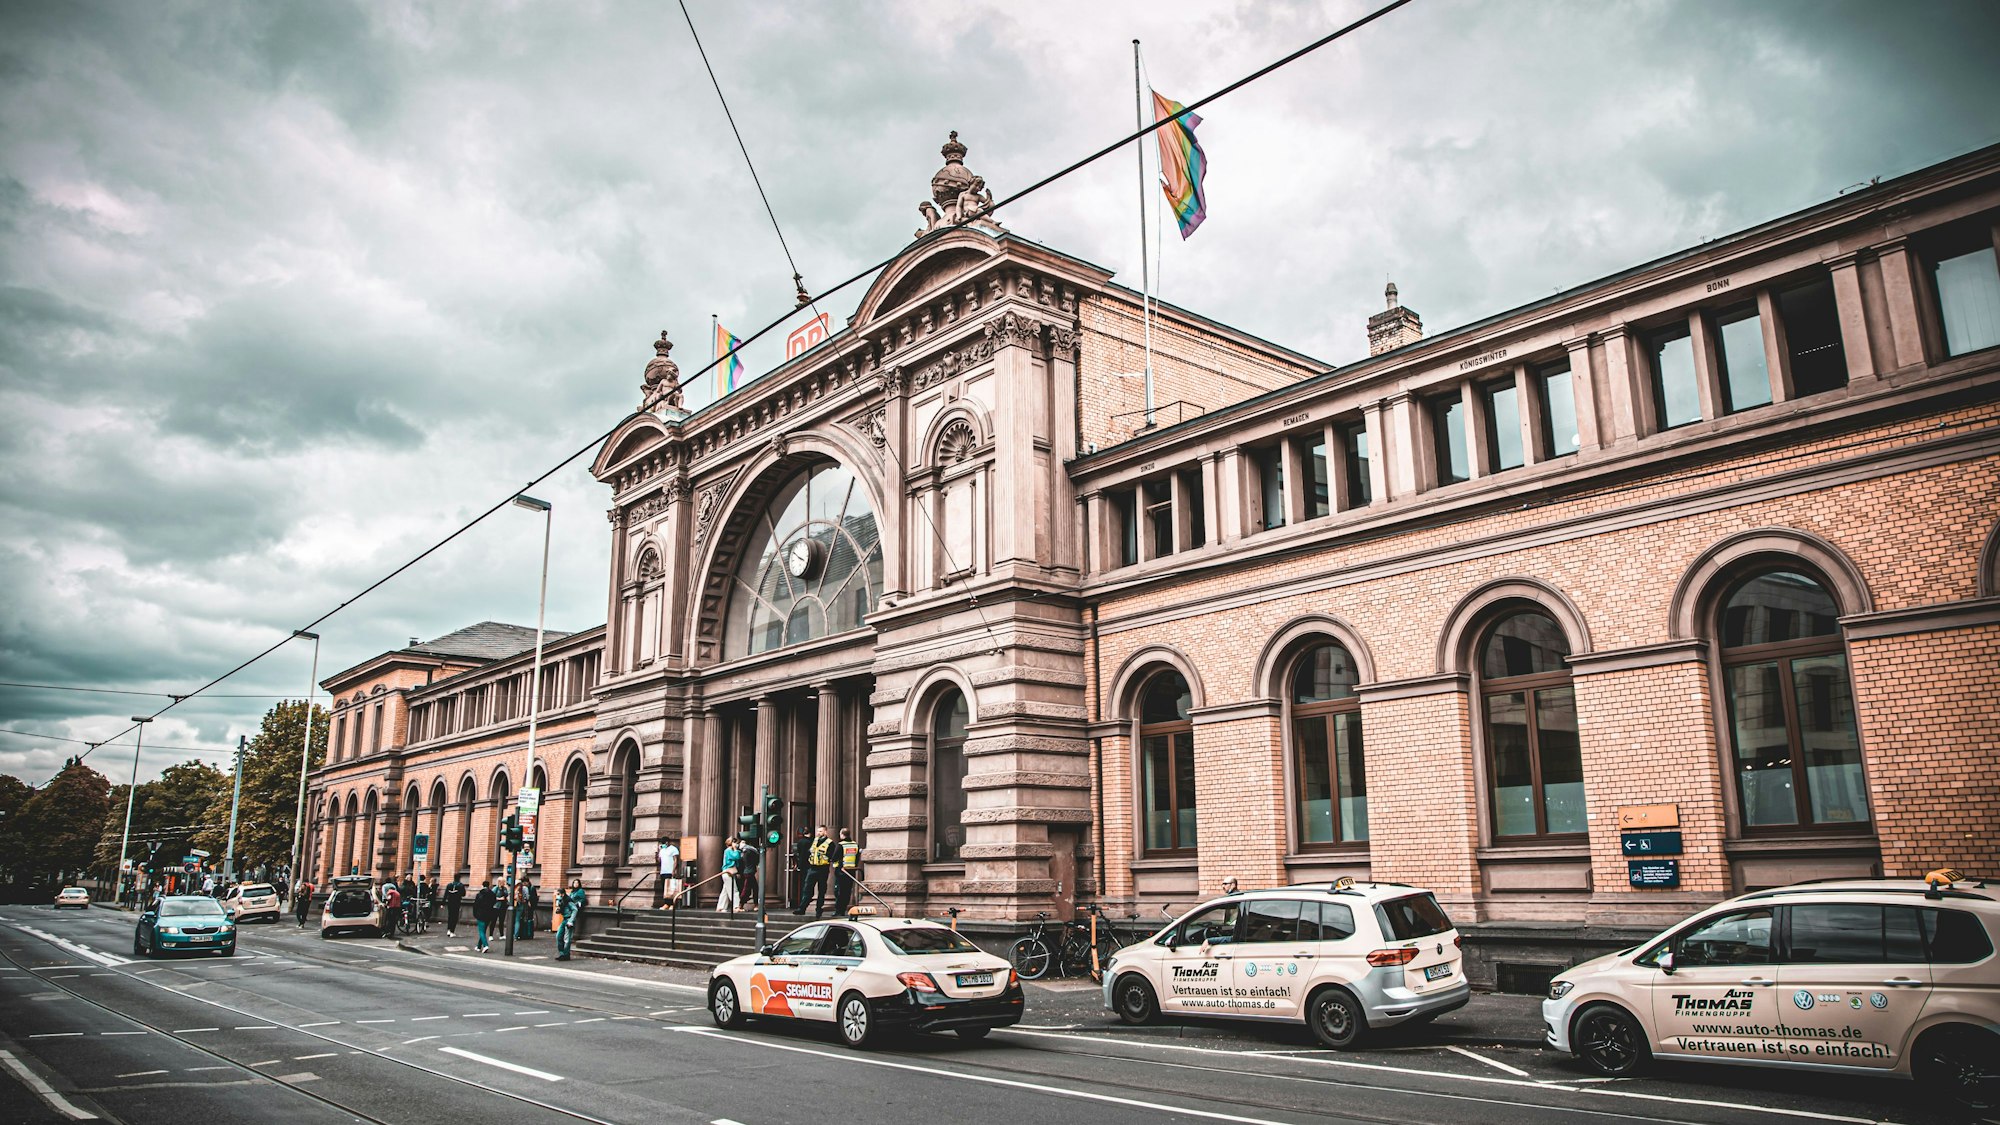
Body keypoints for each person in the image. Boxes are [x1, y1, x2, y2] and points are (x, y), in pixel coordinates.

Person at [797, 825, 832, 917]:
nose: (818, 833)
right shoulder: (814, 841)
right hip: (812, 868)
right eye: (818, 831)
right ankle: (802, 908)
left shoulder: (830, 843)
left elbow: (831, 856)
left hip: (823, 869)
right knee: (807, 889)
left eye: (820, 831)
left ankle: (819, 909)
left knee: (821, 890)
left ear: (825, 832)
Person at [555, 877, 587, 961]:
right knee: (558, 936)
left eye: (558, 894)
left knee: (567, 938)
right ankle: (562, 953)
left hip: (569, 920)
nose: (557, 896)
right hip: (564, 919)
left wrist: (570, 921)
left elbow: (575, 909)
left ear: (562, 894)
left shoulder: (568, 900)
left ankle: (566, 955)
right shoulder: (562, 900)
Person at [830, 828, 860, 916]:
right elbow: (857, 858)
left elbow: (834, 857)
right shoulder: (855, 845)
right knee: (847, 891)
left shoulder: (841, 845)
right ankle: (843, 908)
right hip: (851, 871)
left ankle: (838, 910)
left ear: (842, 835)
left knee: (839, 891)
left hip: (841, 871)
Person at [716, 841, 742, 914]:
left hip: (727, 872)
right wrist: (735, 849)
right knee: (734, 890)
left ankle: (721, 907)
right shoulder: (729, 851)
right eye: (735, 843)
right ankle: (736, 906)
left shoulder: (727, 851)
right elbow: (736, 857)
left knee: (725, 891)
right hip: (728, 872)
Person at [472, 879, 497, 952]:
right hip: (489, 914)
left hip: (480, 914)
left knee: (481, 931)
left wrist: (475, 913)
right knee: (483, 930)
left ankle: (485, 945)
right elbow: (494, 902)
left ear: (482, 886)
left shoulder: (480, 894)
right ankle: (479, 946)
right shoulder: (492, 894)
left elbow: (476, 905)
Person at [655, 838, 680, 908]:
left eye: (663, 843)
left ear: (667, 842)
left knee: (671, 888)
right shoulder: (662, 850)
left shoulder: (673, 849)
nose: (663, 845)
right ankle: (666, 903)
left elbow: (675, 860)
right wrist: (657, 852)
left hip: (670, 871)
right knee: (664, 888)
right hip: (663, 871)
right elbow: (659, 860)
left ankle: (672, 904)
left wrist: (673, 870)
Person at [736, 840, 761, 910]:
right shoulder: (749, 852)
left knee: (754, 888)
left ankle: (754, 904)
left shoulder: (744, 852)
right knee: (747, 889)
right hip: (749, 873)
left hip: (748, 872)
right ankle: (741, 904)